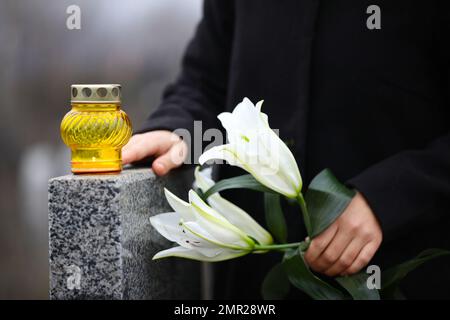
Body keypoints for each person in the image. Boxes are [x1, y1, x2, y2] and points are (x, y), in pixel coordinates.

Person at [123, 0, 450, 299]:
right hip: (253, 286)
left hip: (402, 266)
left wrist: (387, 198)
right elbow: (206, 79)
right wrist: (177, 129)